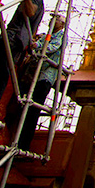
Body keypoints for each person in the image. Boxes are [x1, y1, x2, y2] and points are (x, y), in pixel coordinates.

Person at [17, 12, 66, 149]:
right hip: (34, 74)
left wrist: (36, 46)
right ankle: (17, 139)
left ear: (62, 24)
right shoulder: (46, 36)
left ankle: (24, 144)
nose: (52, 22)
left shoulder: (61, 36)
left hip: (46, 76)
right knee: (24, 107)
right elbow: (37, 44)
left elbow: (51, 47)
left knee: (33, 110)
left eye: (56, 20)